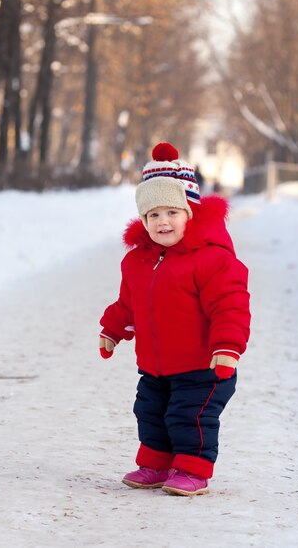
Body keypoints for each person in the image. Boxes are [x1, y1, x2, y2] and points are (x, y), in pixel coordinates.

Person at [98, 142, 251, 497]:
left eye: (172, 212)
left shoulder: (212, 259)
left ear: (190, 212)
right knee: (150, 413)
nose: (162, 221)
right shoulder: (137, 261)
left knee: (189, 417)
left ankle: (192, 469)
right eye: (153, 215)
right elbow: (129, 303)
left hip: (202, 367)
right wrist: (113, 329)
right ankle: (156, 463)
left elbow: (230, 306)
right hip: (155, 366)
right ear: (143, 220)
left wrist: (227, 347)